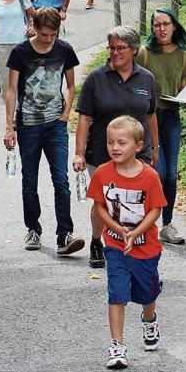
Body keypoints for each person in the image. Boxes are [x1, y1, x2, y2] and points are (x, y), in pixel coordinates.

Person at [73, 26, 159, 269]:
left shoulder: (146, 79)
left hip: (138, 153)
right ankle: (97, 241)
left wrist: (155, 148)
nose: (115, 53)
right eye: (111, 48)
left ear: (134, 50)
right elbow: (84, 118)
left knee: (136, 201)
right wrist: (79, 153)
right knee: (106, 203)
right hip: (102, 152)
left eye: (121, 48)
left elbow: (151, 116)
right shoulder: (96, 79)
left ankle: (133, 243)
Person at [3, 7, 85, 256]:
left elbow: (71, 85)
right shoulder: (20, 52)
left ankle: (65, 234)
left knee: (61, 179)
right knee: (30, 180)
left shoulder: (64, 49)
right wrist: (9, 126)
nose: (48, 39)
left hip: (55, 125)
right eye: (44, 34)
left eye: (53, 34)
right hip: (28, 123)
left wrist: (65, 113)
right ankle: (33, 229)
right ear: (35, 28)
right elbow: (11, 90)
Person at [86, 116, 166, 370]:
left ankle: (149, 318)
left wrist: (136, 231)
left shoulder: (150, 176)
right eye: (110, 142)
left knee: (147, 293)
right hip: (116, 246)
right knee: (117, 293)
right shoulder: (103, 173)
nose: (115, 148)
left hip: (146, 247)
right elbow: (99, 205)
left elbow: (155, 210)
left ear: (138, 145)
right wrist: (117, 229)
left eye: (122, 142)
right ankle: (117, 346)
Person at [137, 8, 186, 245]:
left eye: (165, 24)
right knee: (159, 170)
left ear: (174, 26)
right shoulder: (144, 54)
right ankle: (147, 222)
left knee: (171, 175)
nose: (161, 29)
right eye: (156, 25)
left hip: (172, 116)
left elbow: (182, 90)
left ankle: (167, 224)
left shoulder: (183, 57)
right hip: (148, 118)